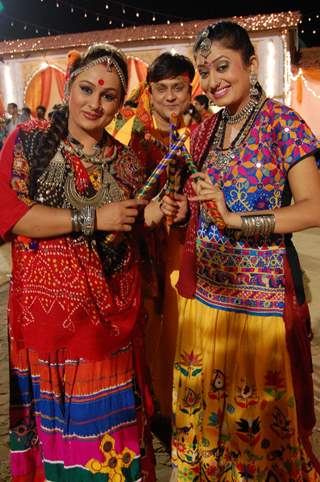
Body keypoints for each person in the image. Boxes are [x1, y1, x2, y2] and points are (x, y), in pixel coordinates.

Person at [0, 43, 171, 482]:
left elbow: (133, 223)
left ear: (120, 102)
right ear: (69, 85)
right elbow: (13, 215)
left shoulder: (128, 160)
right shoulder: (29, 141)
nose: (95, 103)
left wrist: (157, 213)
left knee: (108, 453)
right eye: (87, 89)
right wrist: (93, 218)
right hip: (48, 332)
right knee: (56, 450)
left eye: (109, 95)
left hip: (109, 331)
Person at [164, 21, 320, 480]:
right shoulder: (205, 131)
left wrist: (237, 220)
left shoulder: (282, 123)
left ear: (251, 65)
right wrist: (178, 208)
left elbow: (313, 208)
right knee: (210, 429)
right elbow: (197, 205)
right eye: (205, 71)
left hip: (260, 304)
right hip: (206, 301)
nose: (213, 81)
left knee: (259, 432)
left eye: (222, 67)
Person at [114, 52, 195, 439]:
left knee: (182, 326)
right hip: (145, 248)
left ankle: (180, 403)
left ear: (189, 89)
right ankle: (157, 407)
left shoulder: (202, 131)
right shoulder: (133, 133)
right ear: (149, 92)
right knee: (152, 326)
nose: (169, 97)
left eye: (177, 88)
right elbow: (123, 193)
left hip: (183, 243)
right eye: (161, 89)